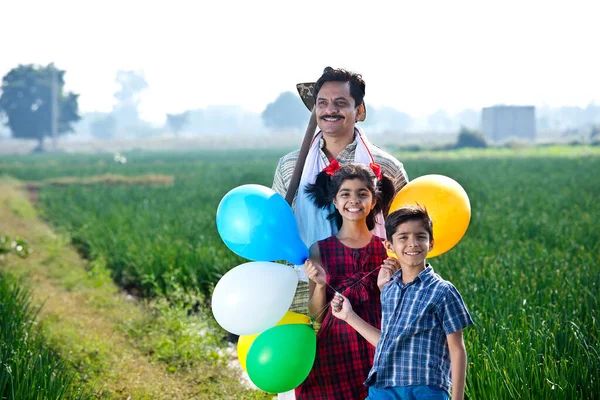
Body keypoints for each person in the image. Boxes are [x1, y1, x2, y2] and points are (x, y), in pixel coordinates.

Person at [271, 67, 409, 307]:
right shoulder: (290, 166)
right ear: (315, 111)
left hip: (371, 293)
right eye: (322, 103)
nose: (330, 110)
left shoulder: (386, 167)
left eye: (340, 103)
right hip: (303, 292)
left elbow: (406, 231)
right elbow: (276, 229)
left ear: (359, 110)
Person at [331, 205, 473, 400]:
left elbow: (457, 349)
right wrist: (349, 316)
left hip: (424, 390)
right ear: (389, 246)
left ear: (431, 243)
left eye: (420, 237)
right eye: (403, 237)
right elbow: (387, 343)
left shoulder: (442, 291)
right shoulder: (389, 290)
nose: (413, 243)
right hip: (382, 387)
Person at [294, 163, 395, 400]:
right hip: (334, 349)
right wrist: (320, 284)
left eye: (362, 194)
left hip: (377, 346)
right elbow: (315, 316)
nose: (354, 200)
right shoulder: (319, 249)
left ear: (373, 201)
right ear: (335, 202)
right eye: (345, 194)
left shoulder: (388, 250)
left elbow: (400, 309)